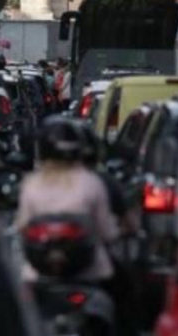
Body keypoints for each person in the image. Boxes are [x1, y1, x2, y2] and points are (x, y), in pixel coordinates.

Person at [16, 116, 119, 284]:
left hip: (38, 274)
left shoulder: (32, 184)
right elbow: (106, 231)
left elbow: (23, 225)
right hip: (91, 272)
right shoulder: (91, 182)